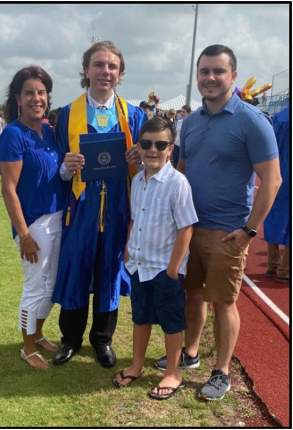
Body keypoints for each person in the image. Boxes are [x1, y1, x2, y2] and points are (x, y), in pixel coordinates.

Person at [154, 44, 281, 401]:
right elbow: (180, 171)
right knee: (192, 294)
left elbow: (272, 181)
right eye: (204, 72)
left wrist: (249, 230)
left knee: (224, 302)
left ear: (233, 76)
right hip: (190, 228)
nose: (210, 78)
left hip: (228, 232)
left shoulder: (252, 120)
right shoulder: (189, 123)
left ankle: (221, 371)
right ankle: (191, 353)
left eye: (217, 72)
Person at [52, 40, 146, 368]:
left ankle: (102, 339)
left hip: (119, 206)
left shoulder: (134, 116)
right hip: (81, 208)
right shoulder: (68, 114)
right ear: (86, 70)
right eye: (99, 64)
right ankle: (70, 339)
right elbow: (59, 171)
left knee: (109, 268)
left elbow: (150, 169)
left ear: (120, 74)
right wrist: (67, 165)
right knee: (77, 268)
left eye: (112, 66)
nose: (105, 71)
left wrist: (141, 160)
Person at [112, 117, 198, 400]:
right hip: (139, 265)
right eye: (147, 143)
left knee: (172, 322)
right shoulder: (137, 180)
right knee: (141, 318)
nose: (153, 150)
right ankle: (137, 364)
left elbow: (186, 227)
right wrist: (128, 247)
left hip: (165, 269)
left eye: (160, 144)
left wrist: (174, 268)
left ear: (171, 148)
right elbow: (135, 218)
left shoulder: (178, 183)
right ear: (139, 146)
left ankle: (172, 373)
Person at [0, 66, 67, 370]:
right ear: (18, 98)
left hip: (58, 217)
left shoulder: (50, 131)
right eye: (29, 93)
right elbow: (8, 190)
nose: (36, 98)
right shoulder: (14, 134)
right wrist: (23, 233)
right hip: (34, 223)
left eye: (41, 92)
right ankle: (27, 347)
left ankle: (37, 334)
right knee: (34, 286)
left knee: (51, 284)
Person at [264, 106, 290, 282]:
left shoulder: (279, 117)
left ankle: (273, 265)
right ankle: (285, 269)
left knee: (273, 215)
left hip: (276, 172)